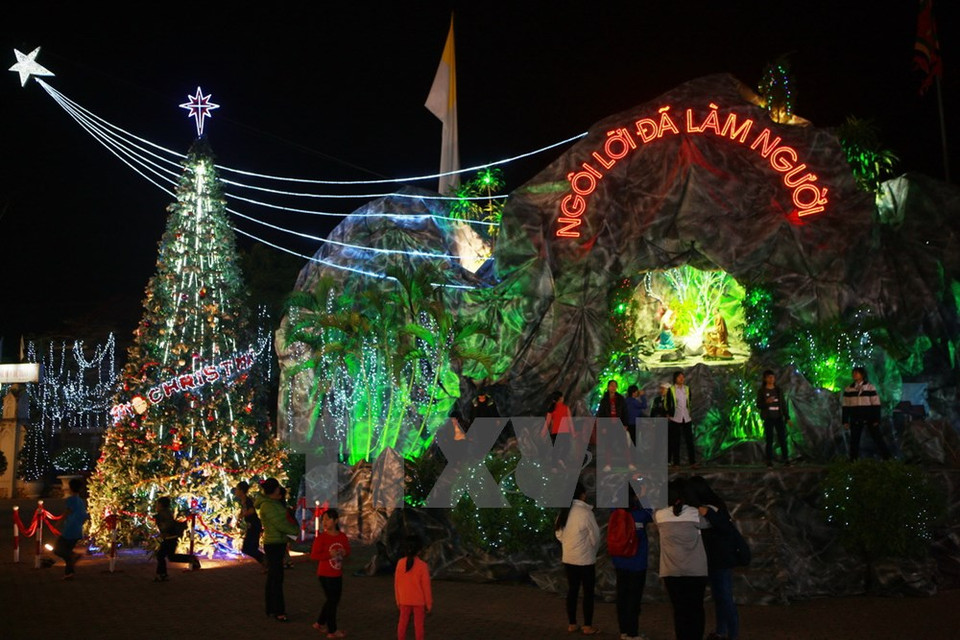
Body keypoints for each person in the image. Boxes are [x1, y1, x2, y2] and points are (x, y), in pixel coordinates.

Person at [655, 478, 708, 640]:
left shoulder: (659, 515)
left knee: (679, 610)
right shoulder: (694, 514)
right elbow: (709, 524)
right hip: (695, 570)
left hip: (671, 571)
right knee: (696, 608)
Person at [690, 476, 740, 640]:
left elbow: (725, 527)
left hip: (720, 558)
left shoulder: (712, 508)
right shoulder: (714, 505)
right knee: (720, 597)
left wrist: (708, 513)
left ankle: (732, 634)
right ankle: (721, 630)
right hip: (714, 557)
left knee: (725, 597)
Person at [555, 481, 601, 635]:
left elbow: (559, 534)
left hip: (569, 558)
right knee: (588, 592)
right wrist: (592, 550)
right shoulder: (586, 513)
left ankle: (572, 623)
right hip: (586, 559)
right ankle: (587, 626)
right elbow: (595, 537)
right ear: (582, 494)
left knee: (572, 591)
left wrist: (569, 544)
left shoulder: (563, 512)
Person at [610, 486, 653, 640]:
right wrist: (643, 495)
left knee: (622, 596)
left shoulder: (615, 513)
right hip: (637, 563)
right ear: (634, 498)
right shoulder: (640, 515)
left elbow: (613, 503)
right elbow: (651, 512)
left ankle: (623, 631)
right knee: (634, 598)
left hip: (619, 561)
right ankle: (633, 633)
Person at [255, 478, 300, 621]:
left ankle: (272, 608)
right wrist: (296, 532)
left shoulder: (272, 503)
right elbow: (281, 523)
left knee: (274, 577)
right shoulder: (268, 506)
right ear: (274, 490)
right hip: (274, 543)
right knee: (277, 577)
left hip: (277, 542)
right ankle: (279, 610)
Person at [311, 508, 351, 638]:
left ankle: (320, 622)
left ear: (336, 521)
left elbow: (348, 550)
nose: (325, 522)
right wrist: (329, 554)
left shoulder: (342, 536)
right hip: (325, 574)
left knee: (332, 600)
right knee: (332, 601)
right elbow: (314, 555)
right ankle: (332, 630)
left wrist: (344, 553)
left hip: (337, 573)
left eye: (328, 519)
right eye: (323, 520)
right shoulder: (321, 538)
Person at [842, 367, 891, 461]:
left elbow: (876, 404)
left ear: (862, 375)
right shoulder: (849, 389)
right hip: (855, 417)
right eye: (854, 373)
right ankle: (853, 460)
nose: (855, 374)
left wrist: (876, 419)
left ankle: (887, 458)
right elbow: (846, 406)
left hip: (869, 417)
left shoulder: (870, 387)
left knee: (877, 438)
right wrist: (845, 420)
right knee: (854, 440)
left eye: (857, 373)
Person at [153, 496, 201, 581]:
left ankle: (162, 574)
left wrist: (164, 530)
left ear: (160, 505)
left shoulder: (164, 513)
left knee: (161, 555)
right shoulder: (165, 513)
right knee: (171, 557)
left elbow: (167, 525)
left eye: (157, 504)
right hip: (170, 537)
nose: (156, 506)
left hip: (170, 537)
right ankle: (191, 559)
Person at [395, 536, 433, 640]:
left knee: (402, 623)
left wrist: (398, 600)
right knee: (419, 626)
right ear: (419, 550)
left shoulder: (400, 563)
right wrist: (428, 604)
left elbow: (396, 584)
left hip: (404, 599)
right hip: (418, 601)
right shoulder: (422, 566)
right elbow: (426, 587)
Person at [53, 477, 88, 580]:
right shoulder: (81, 501)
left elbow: (67, 511)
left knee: (58, 549)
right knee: (67, 550)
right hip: (77, 529)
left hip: (69, 529)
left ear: (70, 488)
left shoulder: (71, 500)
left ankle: (73, 558)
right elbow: (84, 515)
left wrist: (59, 522)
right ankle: (69, 573)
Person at [757, 370, 791, 468]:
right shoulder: (762, 391)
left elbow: (783, 404)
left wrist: (787, 417)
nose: (771, 379)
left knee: (782, 439)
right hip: (768, 418)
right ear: (765, 379)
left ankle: (786, 460)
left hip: (779, 417)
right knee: (769, 439)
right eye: (769, 377)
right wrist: (766, 402)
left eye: (773, 377)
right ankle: (769, 461)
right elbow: (759, 405)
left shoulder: (778, 390)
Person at [666, 371, 697, 467]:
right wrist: (669, 413)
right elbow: (667, 402)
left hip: (686, 417)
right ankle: (676, 463)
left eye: (683, 377)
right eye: (679, 377)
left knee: (689, 441)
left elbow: (689, 400)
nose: (682, 379)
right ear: (675, 378)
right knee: (676, 441)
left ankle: (692, 462)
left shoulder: (686, 389)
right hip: (676, 417)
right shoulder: (671, 390)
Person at [234, 481, 265, 565]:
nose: (235, 491)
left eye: (237, 489)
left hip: (254, 525)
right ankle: (266, 562)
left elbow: (251, 511)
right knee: (248, 548)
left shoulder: (247, 500)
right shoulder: (243, 501)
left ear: (241, 490)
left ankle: (267, 562)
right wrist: (239, 519)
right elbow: (243, 511)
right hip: (251, 526)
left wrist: (242, 516)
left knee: (250, 548)